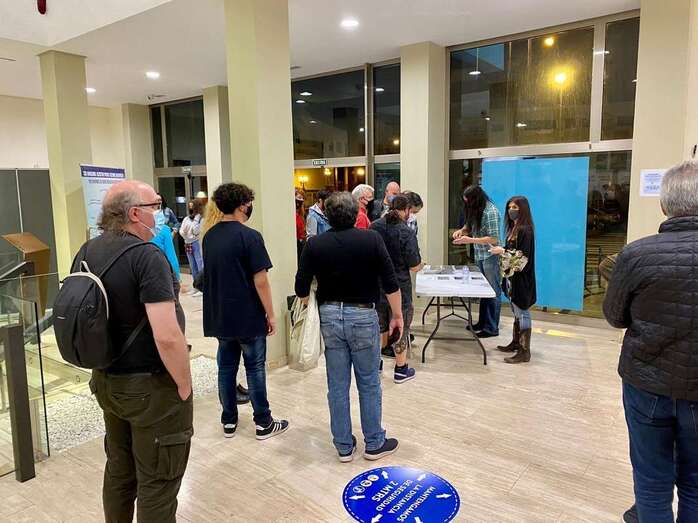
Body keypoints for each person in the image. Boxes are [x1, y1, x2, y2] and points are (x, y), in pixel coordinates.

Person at [77, 180, 192, 522]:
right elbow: (167, 335)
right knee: (158, 479)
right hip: (149, 389)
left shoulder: (88, 251)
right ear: (134, 213)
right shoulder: (147, 256)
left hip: (107, 381)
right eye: (154, 205)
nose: (159, 212)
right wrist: (184, 383)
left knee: (119, 470)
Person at [603, 160, 698, 522]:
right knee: (695, 483)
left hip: (647, 384)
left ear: (663, 205)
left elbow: (614, 316)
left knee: (651, 481)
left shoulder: (636, 254)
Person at [295, 191, 404, 462]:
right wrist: (397, 315)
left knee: (337, 384)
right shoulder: (371, 239)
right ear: (356, 215)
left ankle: (343, 445)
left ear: (327, 215)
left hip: (330, 315)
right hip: (363, 315)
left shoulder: (315, 244)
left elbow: (300, 288)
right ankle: (374, 442)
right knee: (369, 382)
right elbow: (390, 282)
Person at [202, 182, 288, 440]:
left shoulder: (209, 236)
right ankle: (263, 422)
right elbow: (260, 281)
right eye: (249, 203)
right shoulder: (250, 237)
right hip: (248, 314)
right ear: (242, 205)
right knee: (254, 368)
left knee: (226, 368)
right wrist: (271, 315)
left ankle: (228, 420)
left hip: (221, 315)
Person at [199, 198, 250, 406]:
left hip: (219, 298)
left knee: (226, 350)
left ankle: (229, 391)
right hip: (229, 296)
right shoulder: (221, 233)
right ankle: (227, 392)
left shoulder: (211, 233)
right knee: (228, 353)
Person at [370, 194, 423, 383]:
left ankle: (375, 365)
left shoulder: (374, 226)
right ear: (406, 210)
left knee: (378, 326)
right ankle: (401, 369)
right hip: (400, 287)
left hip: (377, 285)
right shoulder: (406, 232)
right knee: (401, 325)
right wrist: (422, 264)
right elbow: (414, 265)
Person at [489, 196, 536, 364]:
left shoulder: (525, 230)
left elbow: (523, 258)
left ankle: (524, 351)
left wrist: (502, 251)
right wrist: (502, 250)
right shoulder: (514, 229)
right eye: (509, 207)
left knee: (522, 312)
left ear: (522, 209)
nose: (511, 210)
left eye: (515, 207)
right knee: (516, 311)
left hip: (521, 279)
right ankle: (516, 343)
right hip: (512, 279)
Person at [452, 186, 502, 338]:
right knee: (483, 290)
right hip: (480, 255)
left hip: (491, 256)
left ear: (476, 199)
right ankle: (482, 322)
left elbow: (493, 238)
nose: (467, 204)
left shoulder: (490, 212)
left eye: (469, 201)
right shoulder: (476, 209)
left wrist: (470, 240)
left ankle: (492, 327)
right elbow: (470, 226)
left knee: (492, 291)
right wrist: (462, 231)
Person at [151, 194, 181, 284]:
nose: (158, 202)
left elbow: (176, 222)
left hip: (166, 236)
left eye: (159, 200)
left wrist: (174, 232)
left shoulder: (167, 211)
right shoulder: (145, 230)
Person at [180, 199, 204, 295]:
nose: (190, 208)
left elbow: (195, 231)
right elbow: (182, 230)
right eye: (189, 206)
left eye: (192, 206)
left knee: (200, 265)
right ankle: (196, 286)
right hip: (187, 243)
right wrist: (186, 235)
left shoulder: (200, 219)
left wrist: (196, 219)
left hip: (196, 243)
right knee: (192, 266)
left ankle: (202, 287)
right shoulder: (186, 219)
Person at [295, 191, 306, 260]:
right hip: (296, 243)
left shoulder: (300, 215)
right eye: (299, 197)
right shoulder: (292, 215)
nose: (300, 200)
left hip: (301, 244)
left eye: (302, 198)